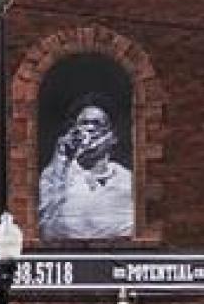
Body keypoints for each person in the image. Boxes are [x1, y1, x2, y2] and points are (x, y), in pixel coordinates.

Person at [38, 98, 134, 240]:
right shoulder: (56, 173)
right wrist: (61, 162)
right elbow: (45, 225)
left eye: (97, 124)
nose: (90, 128)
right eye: (84, 123)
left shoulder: (128, 179)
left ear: (113, 137)